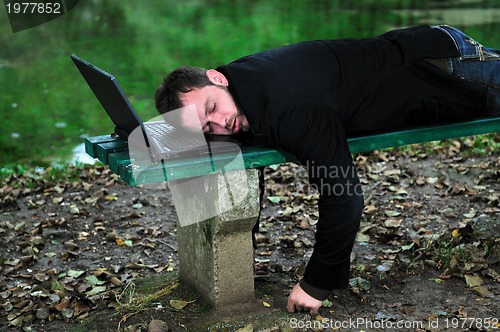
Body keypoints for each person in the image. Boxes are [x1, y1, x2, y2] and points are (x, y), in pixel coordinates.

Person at [154, 25, 500, 315]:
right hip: (415, 54)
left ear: (216, 79)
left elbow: (345, 197)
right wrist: (145, 137)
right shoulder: (234, 84)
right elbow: (217, 130)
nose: (221, 124)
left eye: (212, 108)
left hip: (451, 71)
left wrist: (315, 284)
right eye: (207, 127)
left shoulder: (293, 110)